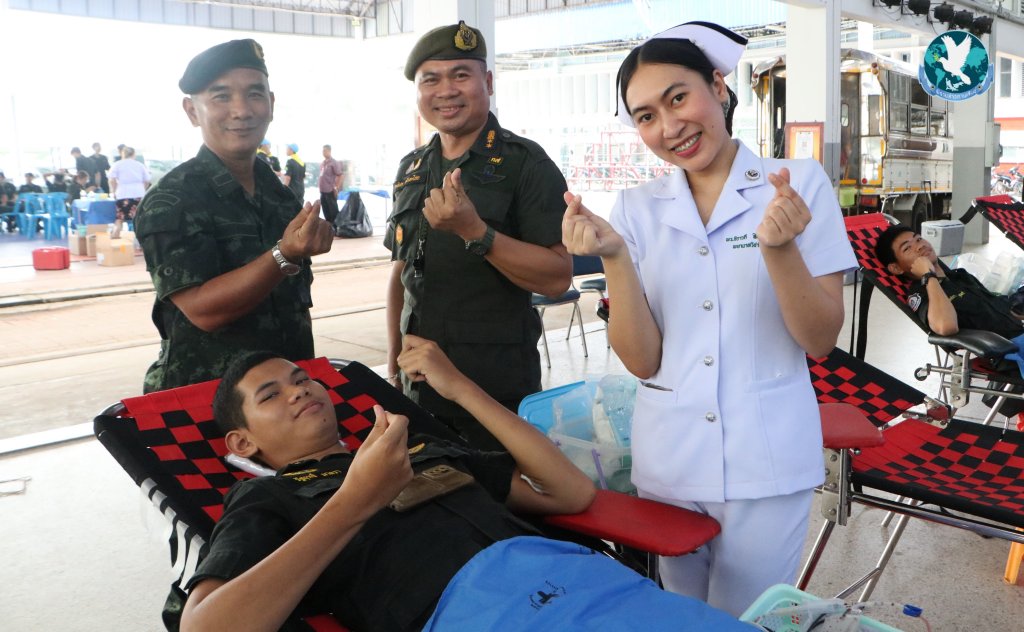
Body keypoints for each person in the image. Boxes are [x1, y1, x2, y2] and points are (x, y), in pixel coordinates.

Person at [561, 21, 857, 616]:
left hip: (765, 460)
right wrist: (614, 257)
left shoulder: (797, 184)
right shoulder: (637, 209)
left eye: (678, 98)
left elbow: (820, 339)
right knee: (680, 616)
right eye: (646, 116)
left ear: (718, 87)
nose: (669, 126)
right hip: (670, 461)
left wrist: (779, 249)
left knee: (744, 619)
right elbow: (642, 360)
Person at [178, 342, 750, 632]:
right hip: (482, 614)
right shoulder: (267, 499)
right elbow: (204, 626)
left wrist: (460, 389)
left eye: (302, 379)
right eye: (271, 394)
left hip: (586, 582)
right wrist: (354, 501)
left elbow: (571, 494)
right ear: (242, 442)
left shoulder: (417, 449)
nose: (299, 390)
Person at [385, 21, 572, 450]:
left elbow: (558, 277)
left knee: (500, 492)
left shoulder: (526, 163)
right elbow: (401, 274)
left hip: (494, 390)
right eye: (431, 80)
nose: (446, 91)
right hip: (418, 391)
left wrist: (476, 232)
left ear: (487, 82)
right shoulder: (411, 168)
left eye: (460, 75)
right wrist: (393, 368)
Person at [133, 39, 334, 393]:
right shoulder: (173, 199)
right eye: (221, 96)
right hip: (207, 399)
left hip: (286, 396)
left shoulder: (278, 194)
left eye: (255, 94)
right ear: (192, 111)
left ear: (271, 105)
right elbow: (203, 310)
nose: (241, 111)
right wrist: (284, 254)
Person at [874, 224, 1024, 340]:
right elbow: (945, 326)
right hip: (1011, 348)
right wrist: (928, 276)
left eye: (919, 239)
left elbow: (1002, 309)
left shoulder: (960, 276)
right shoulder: (921, 293)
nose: (920, 246)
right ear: (896, 268)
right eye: (907, 248)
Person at [108, 146, 152, 239]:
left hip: (122, 194)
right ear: (133, 154)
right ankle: (140, 239)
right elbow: (147, 180)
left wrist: (114, 190)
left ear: (122, 154)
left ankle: (115, 236)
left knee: (120, 218)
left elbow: (112, 180)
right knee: (139, 218)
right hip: (138, 193)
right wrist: (143, 189)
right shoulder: (139, 165)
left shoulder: (117, 164)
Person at [318, 144, 344, 224]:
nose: (323, 152)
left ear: (329, 151)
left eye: (325, 151)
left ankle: (336, 227)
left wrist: (337, 187)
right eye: (322, 151)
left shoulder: (333, 162)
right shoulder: (323, 163)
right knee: (326, 210)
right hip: (323, 191)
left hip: (330, 191)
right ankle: (329, 226)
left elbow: (340, 175)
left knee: (333, 211)